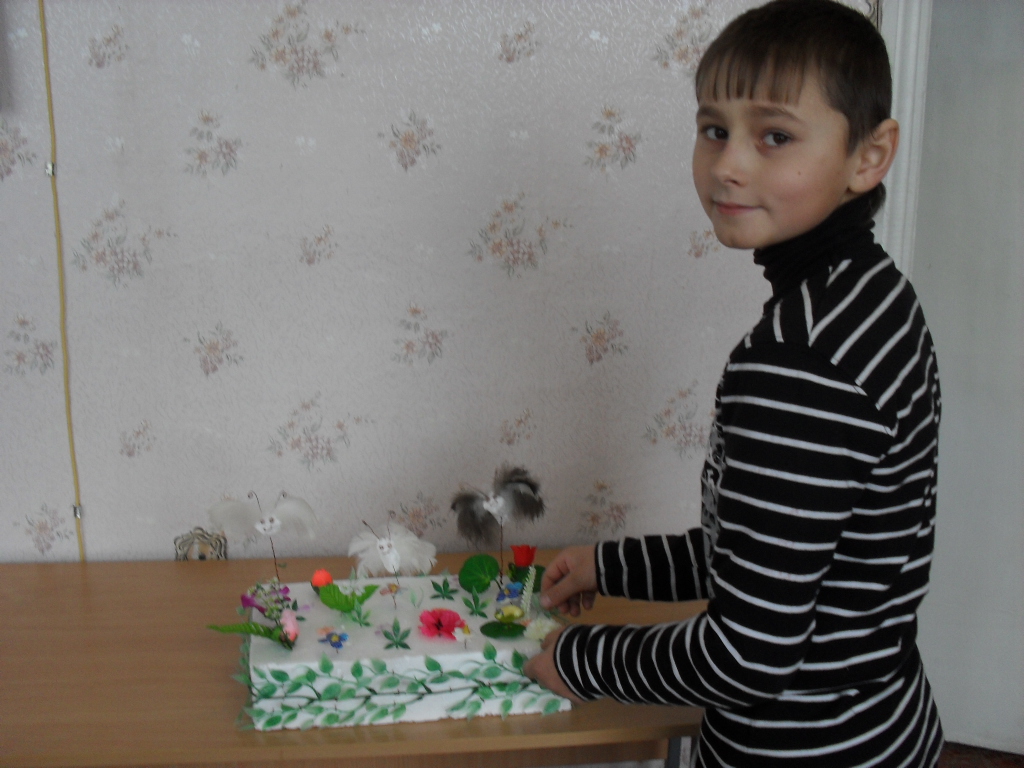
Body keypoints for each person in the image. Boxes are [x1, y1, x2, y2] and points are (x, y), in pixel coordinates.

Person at [523, 1, 944, 765]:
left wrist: (582, 660)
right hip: (884, 725)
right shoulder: (876, 298)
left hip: (802, 750)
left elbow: (747, 657)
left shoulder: (798, 364)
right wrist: (607, 566)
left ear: (870, 155)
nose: (728, 165)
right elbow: (767, 552)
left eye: (774, 136)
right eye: (714, 129)